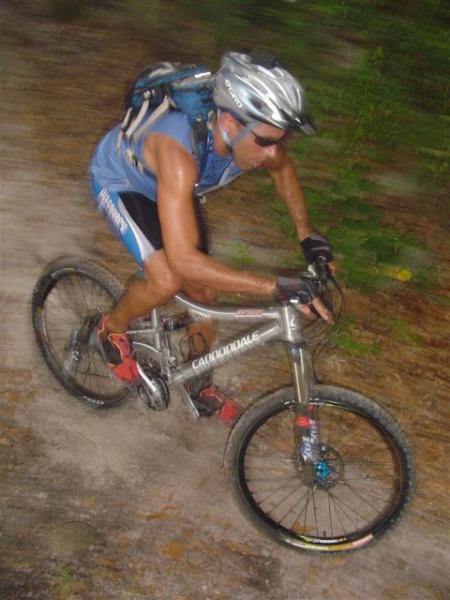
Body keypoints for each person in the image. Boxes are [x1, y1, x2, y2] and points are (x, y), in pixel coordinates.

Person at [88, 50, 334, 418]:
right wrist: (275, 286)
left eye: (280, 140)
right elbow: (185, 261)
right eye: (266, 141)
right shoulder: (178, 150)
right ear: (232, 124)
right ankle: (110, 332)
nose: (273, 153)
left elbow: (283, 172)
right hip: (123, 182)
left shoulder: (256, 136)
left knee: (206, 289)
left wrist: (306, 234)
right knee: (169, 278)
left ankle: (196, 378)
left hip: (174, 189)